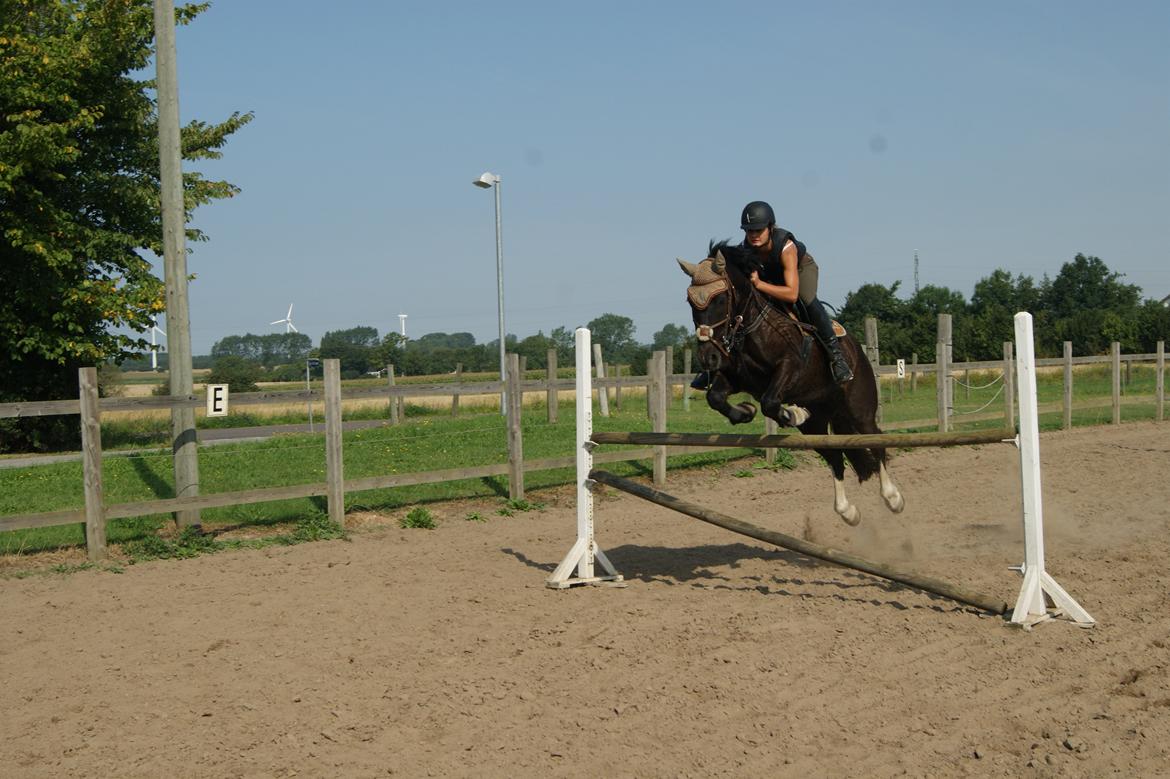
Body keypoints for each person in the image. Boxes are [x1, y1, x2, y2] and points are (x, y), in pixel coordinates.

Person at [692, 200, 854, 387]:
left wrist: (759, 284)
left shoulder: (786, 247)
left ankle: (836, 356)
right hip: (769, 273)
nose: (753, 235)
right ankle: (718, 367)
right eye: (749, 231)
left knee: (806, 299)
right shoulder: (745, 248)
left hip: (800, 270)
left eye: (758, 230)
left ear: (770, 227)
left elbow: (791, 294)